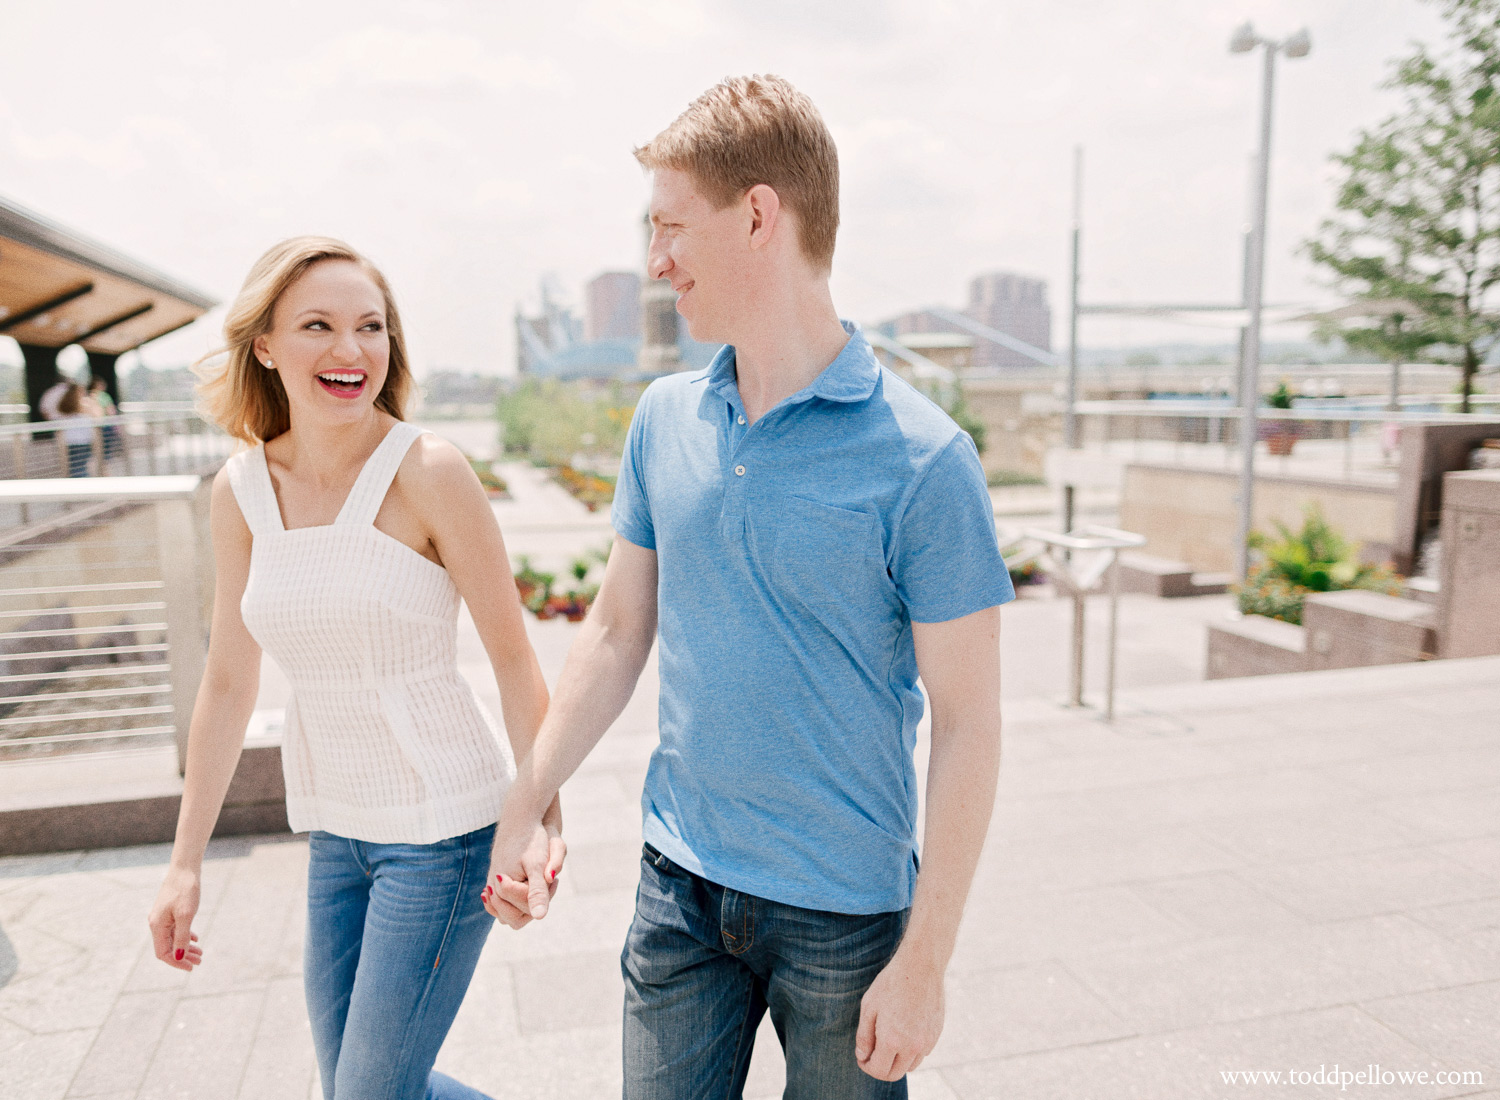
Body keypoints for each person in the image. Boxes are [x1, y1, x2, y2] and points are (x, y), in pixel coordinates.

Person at [486, 76, 1013, 1098]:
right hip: (677, 894)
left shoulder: (925, 460)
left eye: (672, 226)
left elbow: (970, 722)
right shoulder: (663, 419)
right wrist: (527, 794)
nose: (656, 261)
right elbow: (613, 632)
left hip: (846, 921)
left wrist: (926, 961)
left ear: (760, 215)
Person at [147, 236, 561, 1100]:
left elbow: (514, 657)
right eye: (319, 326)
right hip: (337, 831)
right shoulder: (242, 491)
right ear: (265, 345)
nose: (351, 351)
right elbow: (228, 680)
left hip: (444, 835)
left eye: (370, 327)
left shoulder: (429, 472)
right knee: (356, 1091)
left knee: (369, 1094)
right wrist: (184, 863)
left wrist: (540, 821)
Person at [54, 382, 101, 477]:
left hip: (69, 440)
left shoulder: (65, 404)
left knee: (74, 466)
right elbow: (97, 416)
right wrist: (93, 401)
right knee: (81, 467)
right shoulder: (83, 404)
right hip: (83, 440)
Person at [87, 376, 121, 460]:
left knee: (98, 451)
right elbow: (111, 411)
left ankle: (102, 469)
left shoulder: (88, 396)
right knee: (106, 452)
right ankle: (105, 470)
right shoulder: (104, 396)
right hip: (106, 425)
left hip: (94, 426)